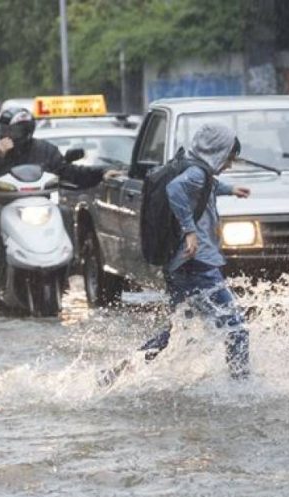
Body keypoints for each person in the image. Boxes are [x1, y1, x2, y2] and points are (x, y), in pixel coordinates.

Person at [100, 123, 252, 387]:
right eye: (229, 157)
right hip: (197, 262)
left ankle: (118, 372)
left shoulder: (192, 166)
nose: (229, 164)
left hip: (179, 264)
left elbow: (205, 186)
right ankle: (242, 386)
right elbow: (176, 190)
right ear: (218, 151)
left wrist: (230, 189)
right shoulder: (196, 172)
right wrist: (190, 230)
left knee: (179, 330)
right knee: (236, 328)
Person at [0, 107, 122, 271]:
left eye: (12, 131)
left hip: (42, 205)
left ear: (26, 131)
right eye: (4, 131)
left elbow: (69, 172)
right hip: (6, 205)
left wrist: (102, 172)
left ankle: (70, 264)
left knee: (64, 211)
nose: (6, 136)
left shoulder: (45, 151)